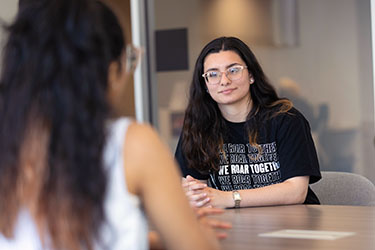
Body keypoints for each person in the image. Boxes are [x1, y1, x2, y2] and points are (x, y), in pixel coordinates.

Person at [0, 1, 229, 250]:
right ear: (110, 70)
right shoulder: (133, 143)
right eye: (129, 60)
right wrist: (200, 235)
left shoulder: (10, 144)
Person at [175, 37, 321, 209]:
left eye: (234, 70)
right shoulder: (198, 127)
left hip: (291, 223)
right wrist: (191, 194)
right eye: (213, 74)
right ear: (205, 85)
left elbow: (296, 191)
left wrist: (229, 198)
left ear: (251, 75)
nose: (224, 81)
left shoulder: (286, 120)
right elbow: (194, 191)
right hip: (231, 226)